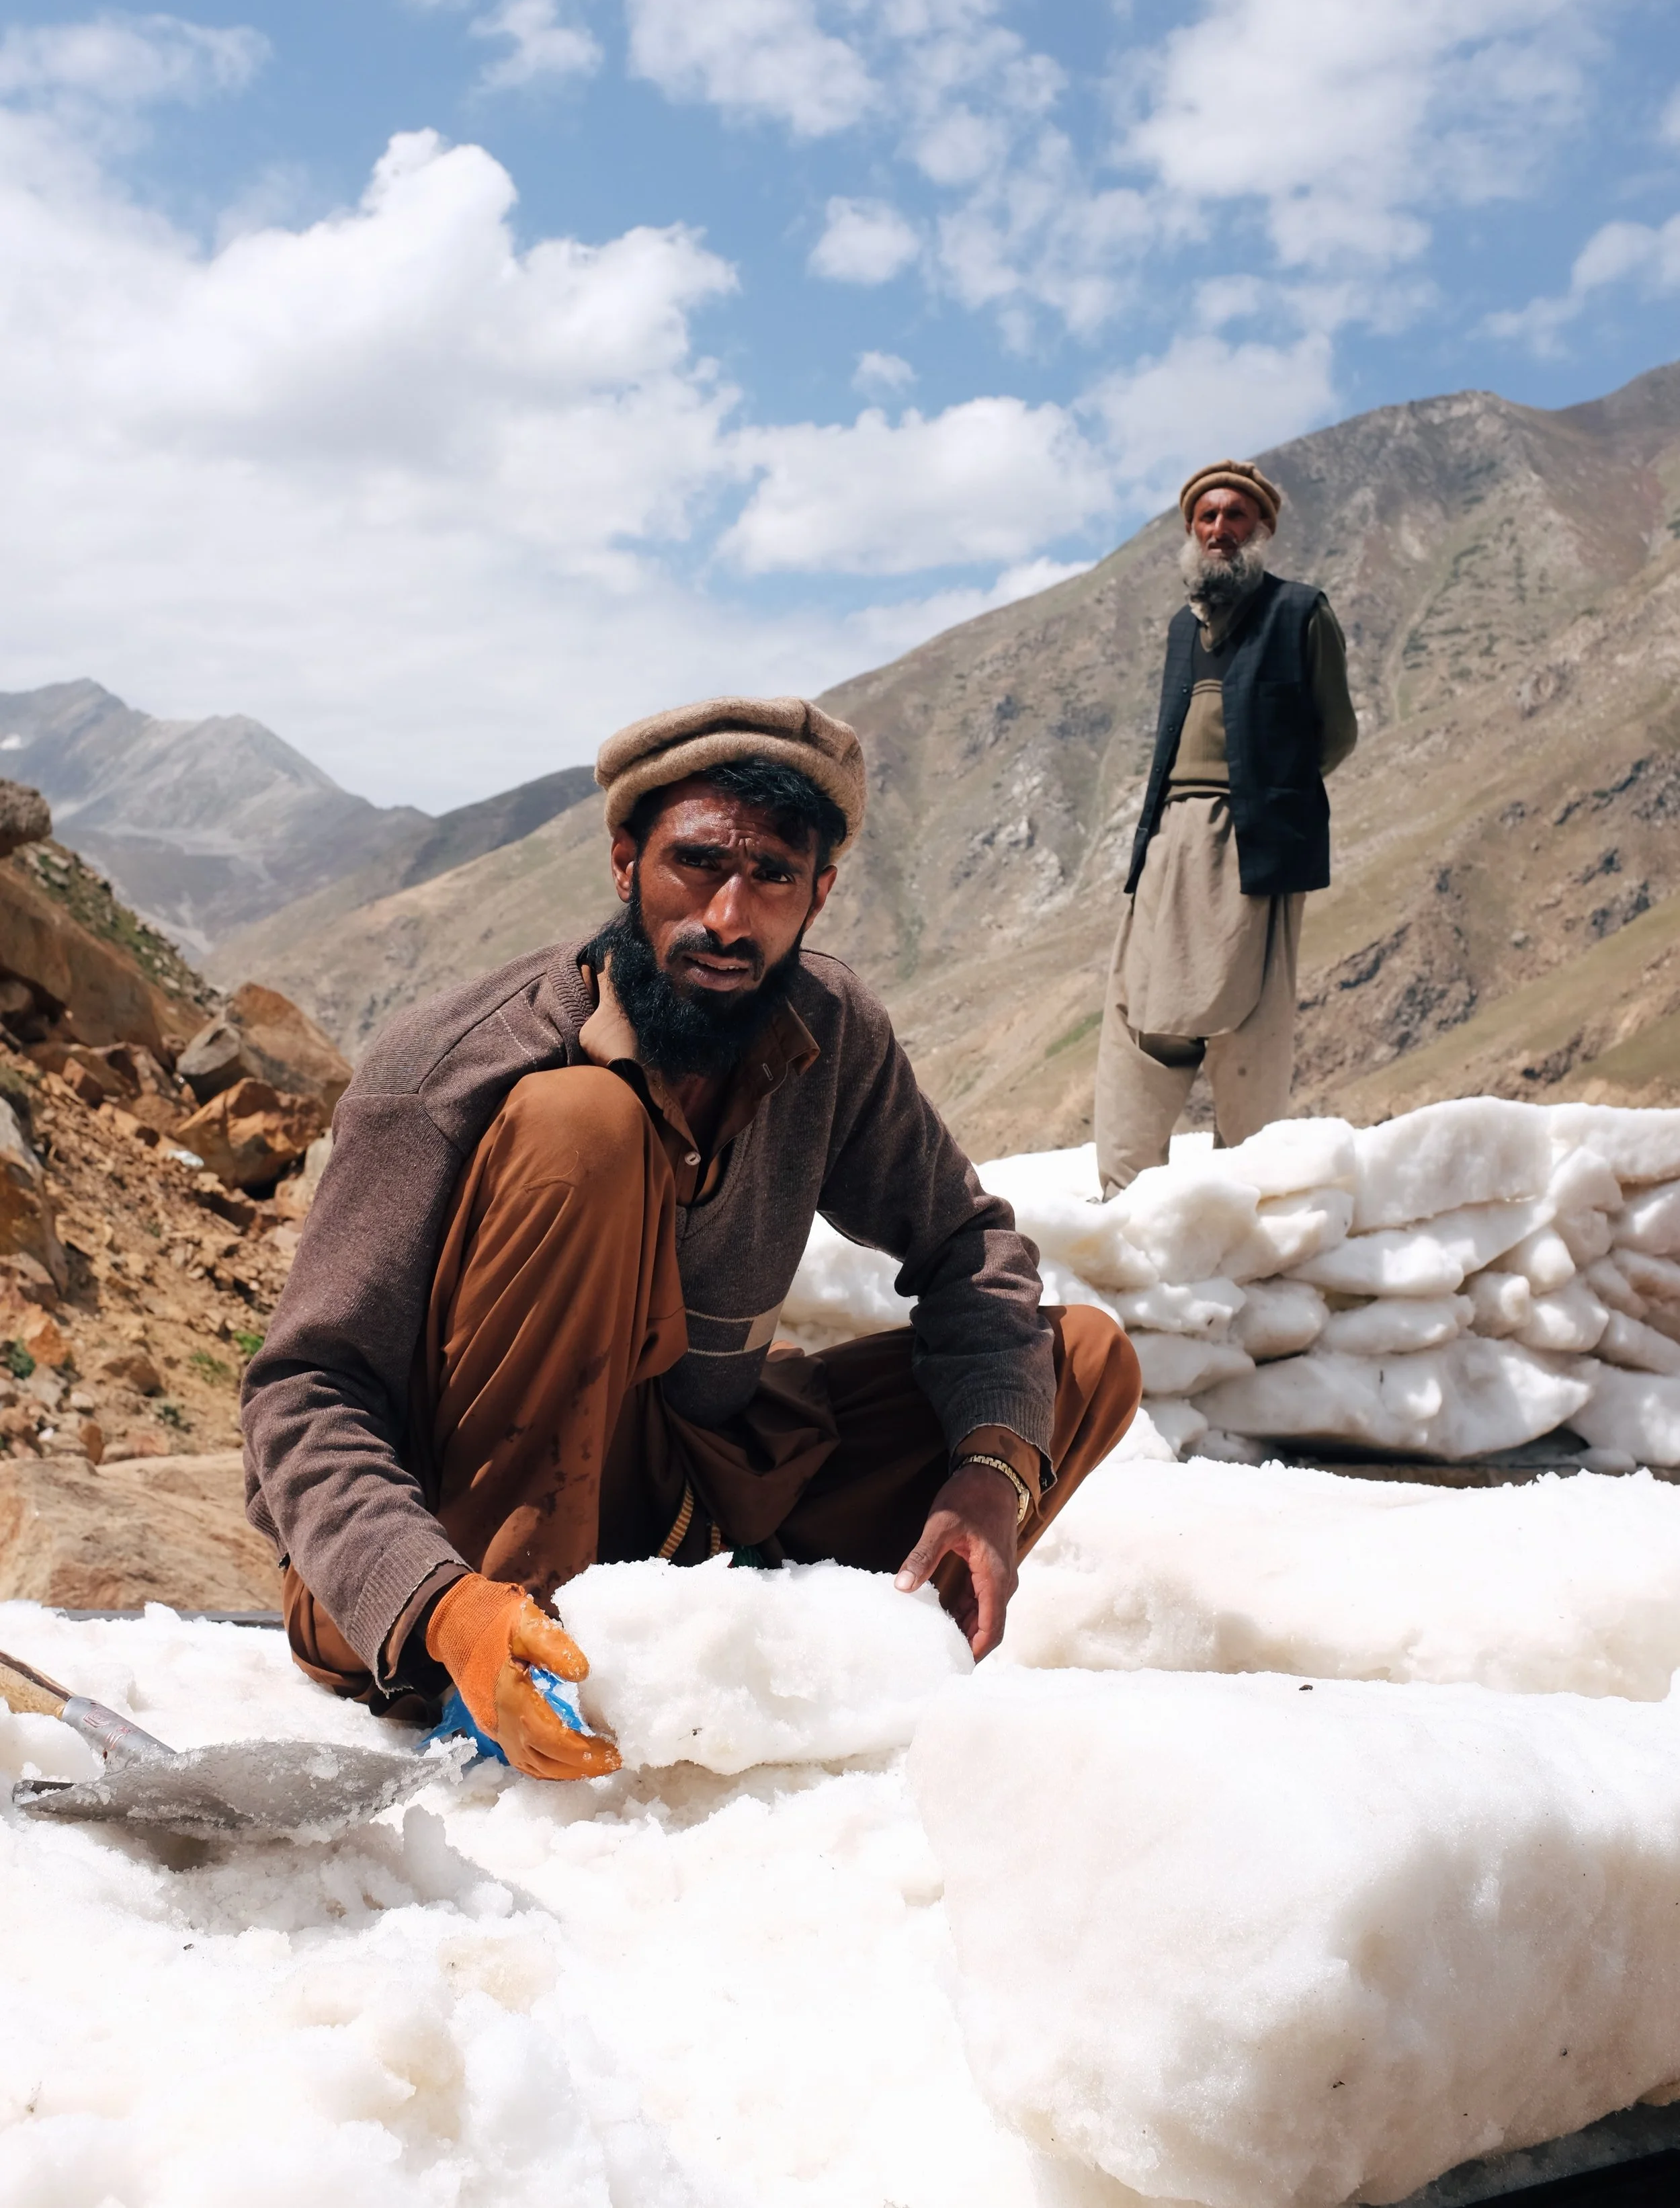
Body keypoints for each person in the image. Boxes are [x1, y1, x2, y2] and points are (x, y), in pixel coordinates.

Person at [244, 695, 1141, 1778]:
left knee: (1079, 1361)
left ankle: (844, 1666)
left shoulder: (826, 1030)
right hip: (441, 1552)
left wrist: (990, 1471)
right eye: (697, 864)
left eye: (772, 876)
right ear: (626, 862)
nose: (728, 917)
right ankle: (510, 1655)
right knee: (585, 1127)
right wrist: (436, 1600)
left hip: (691, 1490)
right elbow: (302, 1390)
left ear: (819, 894)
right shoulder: (451, 1069)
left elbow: (968, 1249)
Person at [1093, 460, 1357, 1196]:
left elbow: (1336, 732)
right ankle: (1125, 1193)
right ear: (1190, 530)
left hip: (1254, 844)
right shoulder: (1183, 627)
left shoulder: (1300, 613)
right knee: (1138, 1009)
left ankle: (1251, 1190)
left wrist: (1271, 802)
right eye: (1207, 517)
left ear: (1260, 529)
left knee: (1252, 1018)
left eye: (1235, 515)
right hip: (1168, 841)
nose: (1219, 529)